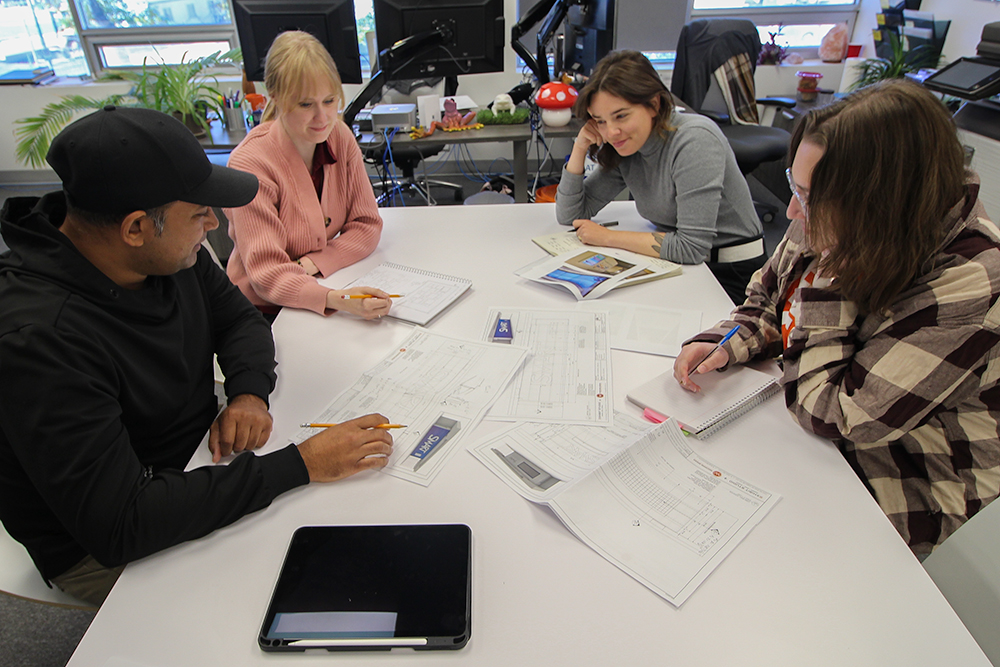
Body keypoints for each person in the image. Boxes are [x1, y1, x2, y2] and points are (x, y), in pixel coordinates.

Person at [0, 106, 394, 607]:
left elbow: (240, 320)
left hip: (194, 465)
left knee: (342, 528)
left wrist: (248, 392)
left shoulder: (164, 254)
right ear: (136, 227)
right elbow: (122, 524)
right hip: (102, 542)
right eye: (198, 213)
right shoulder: (39, 339)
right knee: (315, 587)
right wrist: (299, 465)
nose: (213, 223)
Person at [673, 79, 1000, 558]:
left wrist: (829, 278)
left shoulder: (974, 280)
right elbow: (768, 295)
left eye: (806, 196)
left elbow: (835, 413)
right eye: (795, 186)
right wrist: (730, 340)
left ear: (880, 206)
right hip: (814, 438)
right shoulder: (835, 212)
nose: (790, 211)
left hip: (906, 479)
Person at [556, 50, 766, 305]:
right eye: (600, 121)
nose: (611, 132)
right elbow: (571, 214)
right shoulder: (629, 146)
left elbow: (692, 247)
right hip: (682, 264)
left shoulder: (694, 140)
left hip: (732, 274)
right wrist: (579, 147)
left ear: (654, 104)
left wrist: (605, 237)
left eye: (621, 116)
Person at [225, 30, 390, 321]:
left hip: (320, 285)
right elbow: (266, 274)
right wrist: (339, 299)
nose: (323, 118)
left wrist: (315, 263)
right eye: (305, 104)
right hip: (263, 309)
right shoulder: (250, 163)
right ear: (274, 98)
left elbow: (366, 225)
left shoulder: (339, 135)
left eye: (329, 101)